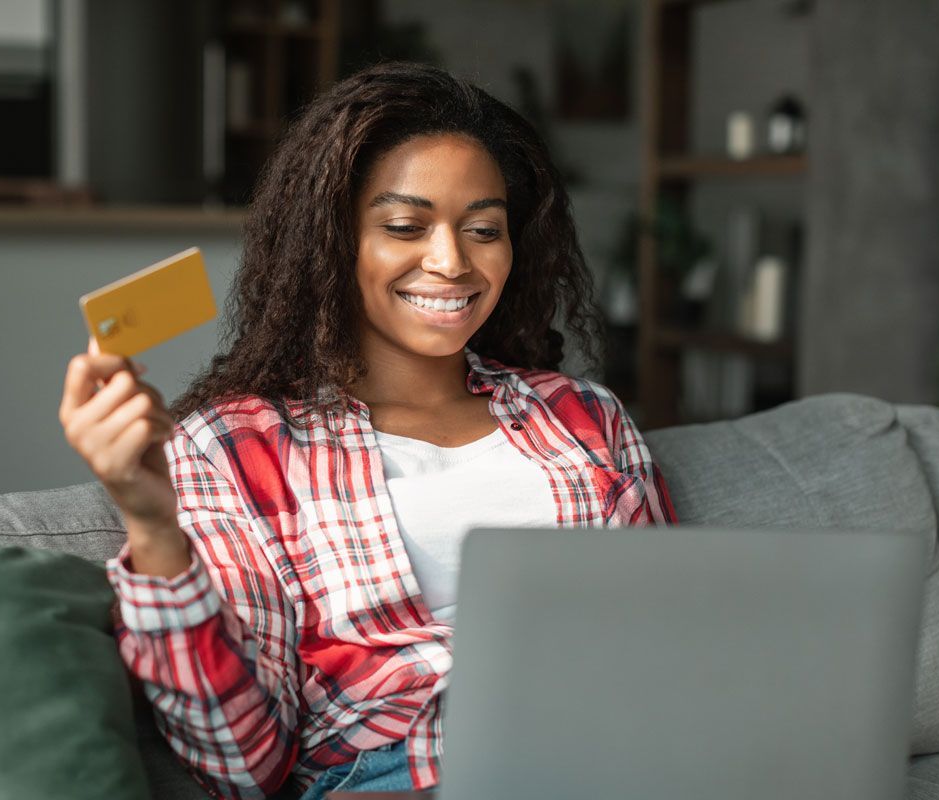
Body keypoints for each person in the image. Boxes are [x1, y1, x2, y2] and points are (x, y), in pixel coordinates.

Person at [58, 61, 676, 800]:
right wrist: (153, 525)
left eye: (483, 228)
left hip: (620, 756)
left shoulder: (583, 418)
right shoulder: (238, 447)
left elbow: (669, 644)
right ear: (333, 240)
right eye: (404, 227)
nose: (451, 262)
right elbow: (238, 767)